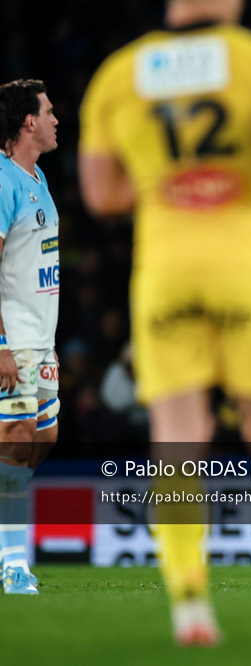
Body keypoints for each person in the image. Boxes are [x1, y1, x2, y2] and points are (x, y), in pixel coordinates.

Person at [78, 0, 251, 645]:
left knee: (177, 436)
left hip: (165, 270)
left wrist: (167, 188)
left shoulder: (117, 73)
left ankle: (190, 611)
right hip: (246, 262)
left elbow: (101, 196)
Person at [0, 79, 61, 595]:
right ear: (27, 123)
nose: (56, 119)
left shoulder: (36, 177)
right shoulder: (2, 182)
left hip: (42, 336)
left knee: (44, 439)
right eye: (49, 111)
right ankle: (13, 564)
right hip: (12, 336)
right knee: (16, 442)